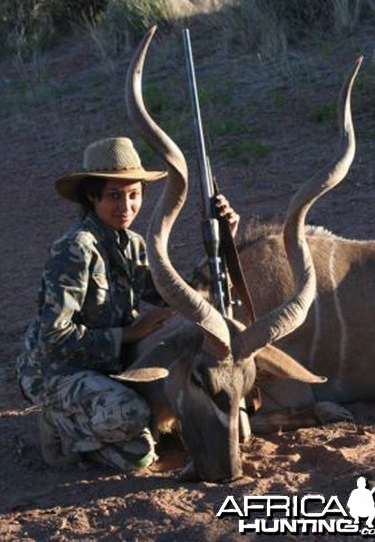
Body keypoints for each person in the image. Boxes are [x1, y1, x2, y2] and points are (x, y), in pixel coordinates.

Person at [16, 136, 239, 472]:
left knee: (148, 448)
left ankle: (99, 439)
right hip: (56, 371)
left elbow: (180, 297)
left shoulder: (133, 244)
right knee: (133, 417)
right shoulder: (75, 248)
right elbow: (54, 338)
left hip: (112, 367)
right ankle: (58, 424)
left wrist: (224, 241)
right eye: (114, 196)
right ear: (91, 196)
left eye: (133, 195)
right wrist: (130, 334)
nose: (126, 206)